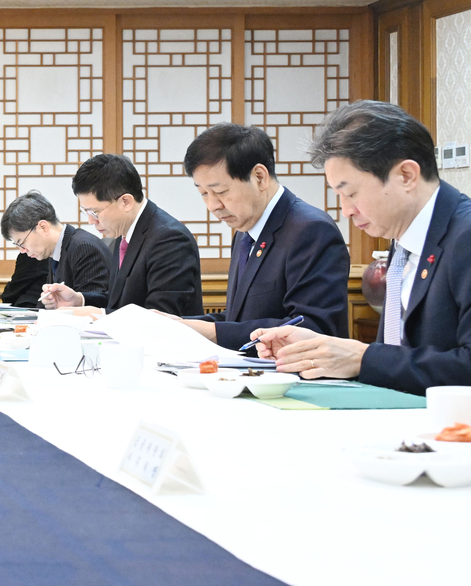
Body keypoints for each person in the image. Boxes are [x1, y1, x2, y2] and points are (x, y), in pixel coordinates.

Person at [254, 101, 471, 394]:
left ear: (406, 175)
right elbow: (404, 353)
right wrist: (321, 349)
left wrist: (362, 358)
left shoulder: (464, 237)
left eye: (352, 193)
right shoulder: (403, 242)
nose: (346, 210)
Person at [177, 124, 349, 346]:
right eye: (203, 193)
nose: (212, 205)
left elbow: (313, 327)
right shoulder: (245, 232)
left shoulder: (311, 230)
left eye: (221, 192)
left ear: (259, 177)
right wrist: (181, 325)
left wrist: (212, 331)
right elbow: (238, 319)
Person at [44, 153, 202, 315]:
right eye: (86, 212)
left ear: (125, 202)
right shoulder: (124, 234)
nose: (91, 221)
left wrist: (101, 315)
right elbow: (121, 302)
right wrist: (79, 300)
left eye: (95, 212)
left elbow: (160, 316)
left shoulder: (169, 239)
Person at [0, 190, 113, 308]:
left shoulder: (83, 247)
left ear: (43, 227)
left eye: (21, 242)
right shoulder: (56, 250)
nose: (22, 250)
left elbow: (90, 308)